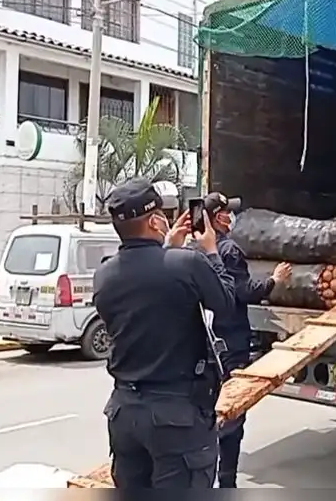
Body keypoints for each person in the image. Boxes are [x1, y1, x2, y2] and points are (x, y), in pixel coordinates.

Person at [93, 177, 236, 489]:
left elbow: (148, 289)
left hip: (124, 412)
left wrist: (168, 246)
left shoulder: (104, 275)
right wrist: (211, 251)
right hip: (177, 415)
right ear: (156, 220)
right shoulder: (188, 263)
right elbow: (225, 304)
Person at [200, 192, 292, 488]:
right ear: (217, 218)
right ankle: (226, 482)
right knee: (232, 413)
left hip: (205, 342)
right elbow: (243, 291)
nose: (231, 216)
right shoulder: (229, 251)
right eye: (226, 212)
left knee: (207, 409)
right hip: (230, 342)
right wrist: (274, 281)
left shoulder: (192, 250)